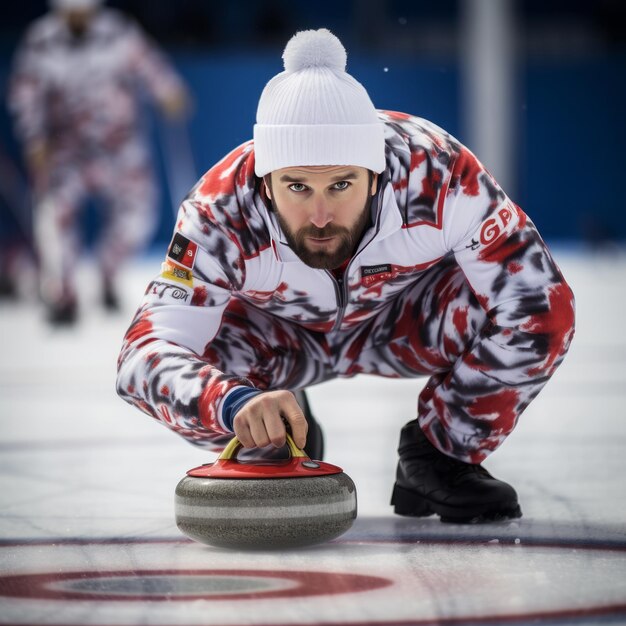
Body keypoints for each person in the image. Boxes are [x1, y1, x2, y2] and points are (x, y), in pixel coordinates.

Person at [116, 29, 575, 523]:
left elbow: (538, 295)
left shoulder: (437, 172)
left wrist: (455, 432)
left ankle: (440, 456)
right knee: (205, 368)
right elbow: (142, 356)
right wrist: (233, 402)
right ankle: (279, 434)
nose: (319, 215)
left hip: (403, 320)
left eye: (341, 184)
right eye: (296, 186)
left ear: (376, 173)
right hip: (274, 339)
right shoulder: (219, 211)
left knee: (541, 311)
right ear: (265, 183)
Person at [7, 0, 189, 324]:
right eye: (71, 11)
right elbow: (25, 92)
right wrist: (34, 138)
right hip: (66, 150)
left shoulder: (119, 32)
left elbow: (151, 66)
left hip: (121, 148)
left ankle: (108, 272)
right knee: (53, 217)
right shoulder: (40, 40)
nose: (78, 16)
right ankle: (62, 294)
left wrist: (169, 92)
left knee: (138, 217)